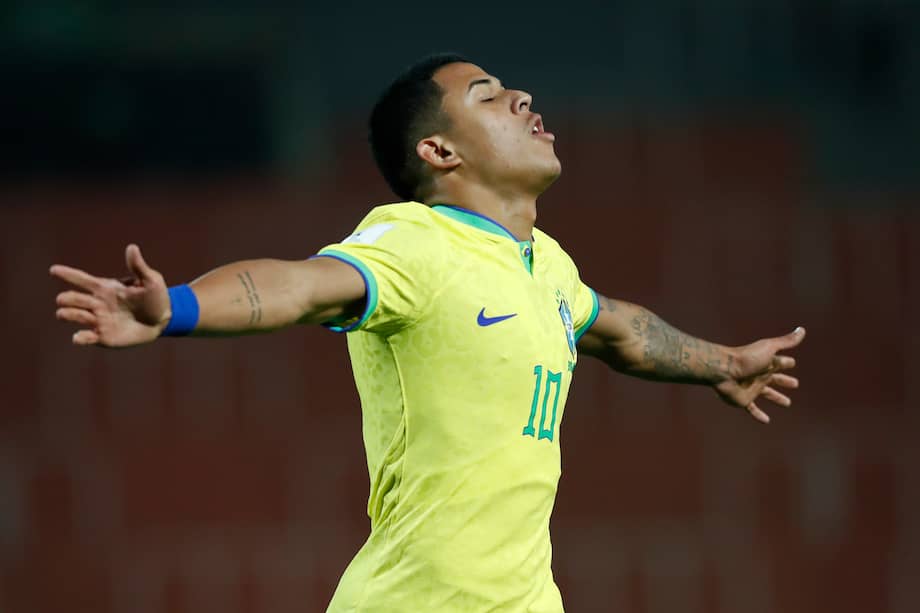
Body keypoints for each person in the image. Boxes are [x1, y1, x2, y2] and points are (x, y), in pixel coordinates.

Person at [50, 54, 805, 612]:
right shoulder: (416, 241)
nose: (523, 96)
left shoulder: (547, 268)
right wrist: (173, 308)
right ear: (439, 152)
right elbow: (301, 285)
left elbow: (618, 330)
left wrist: (722, 363)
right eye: (490, 95)